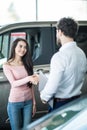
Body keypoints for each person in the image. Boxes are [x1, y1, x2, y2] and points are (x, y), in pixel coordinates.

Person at [37, 17, 87, 112]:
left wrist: (44, 97)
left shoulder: (59, 57)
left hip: (61, 106)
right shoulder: (81, 54)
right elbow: (71, 76)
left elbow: (52, 85)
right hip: (77, 102)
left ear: (60, 32)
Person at [3, 38, 38, 130]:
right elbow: (13, 83)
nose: (23, 49)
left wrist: (34, 103)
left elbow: (30, 86)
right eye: (20, 46)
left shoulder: (27, 63)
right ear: (14, 47)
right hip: (14, 103)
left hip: (28, 102)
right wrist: (28, 78)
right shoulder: (7, 65)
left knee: (28, 128)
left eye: (25, 47)